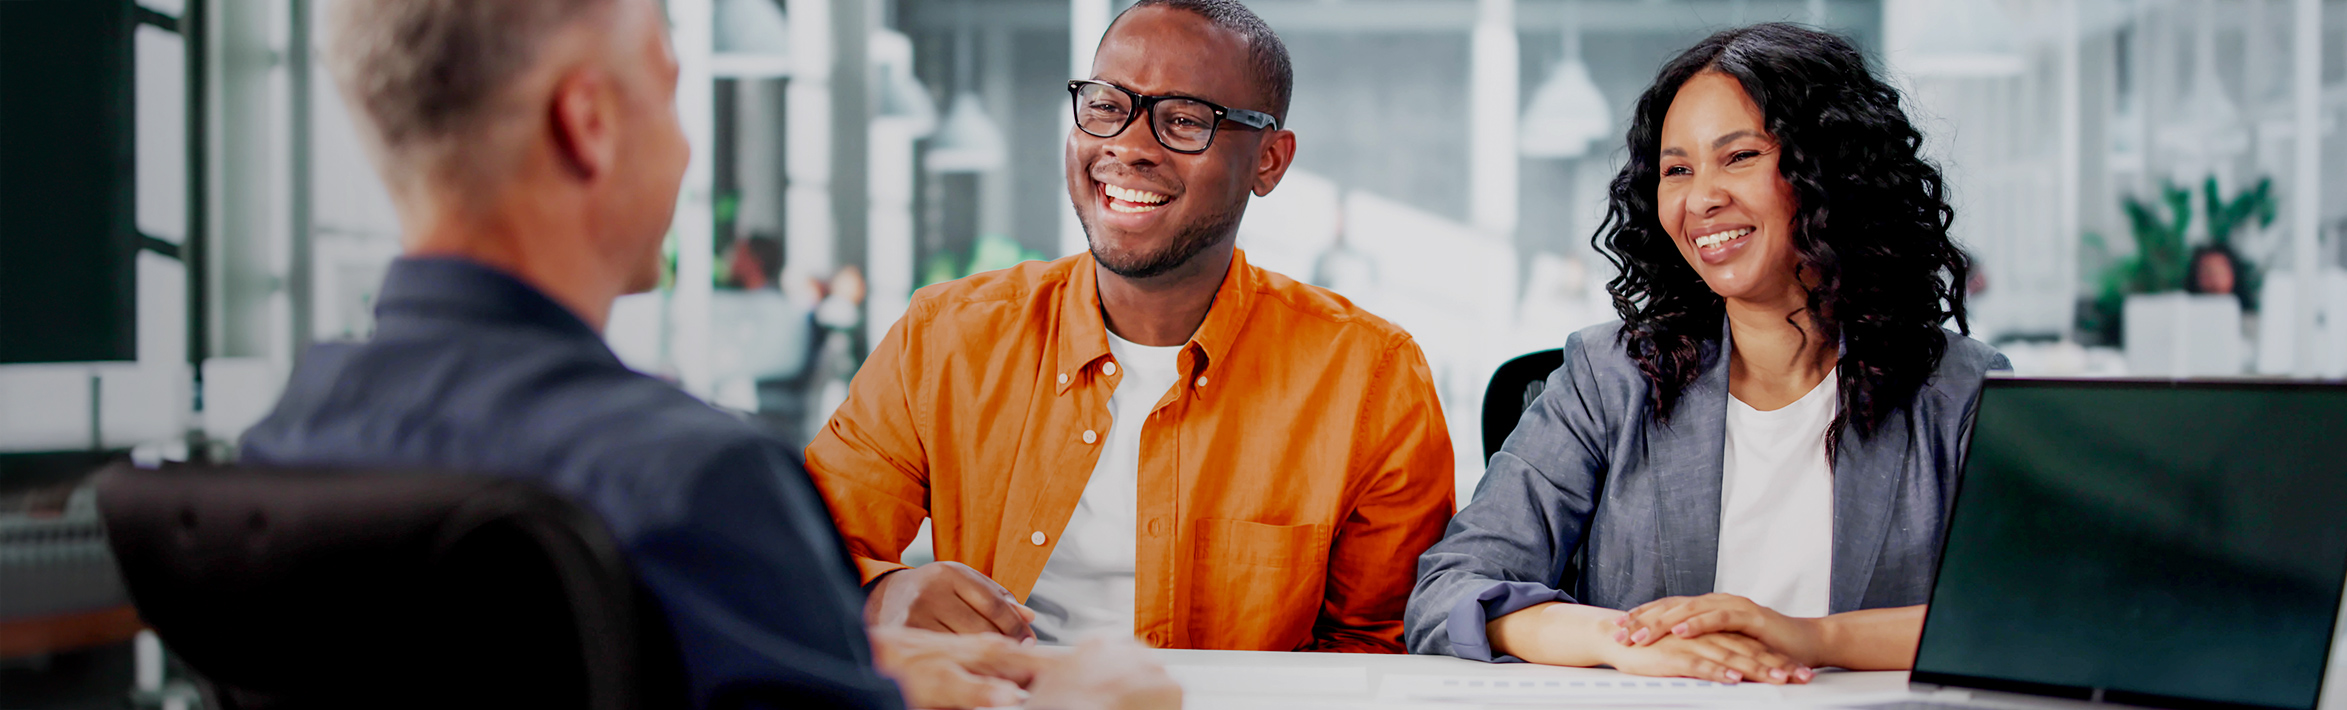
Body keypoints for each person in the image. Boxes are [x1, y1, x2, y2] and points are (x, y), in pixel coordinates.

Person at [237, 1, 1178, 708]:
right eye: (671, 87)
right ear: (589, 124)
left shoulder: (290, 442)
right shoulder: (694, 484)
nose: (689, 151)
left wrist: (859, 668)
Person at [806, 0, 1454, 653]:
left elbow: (1384, 643)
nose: (1128, 147)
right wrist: (880, 592)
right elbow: (793, 552)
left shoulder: (1371, 375)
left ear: (1269, 161)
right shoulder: (947, 335)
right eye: (1106, 106)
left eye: (1182, 120)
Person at [1404, 23, 2008, 683]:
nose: (1700, 198)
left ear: (1832, 168)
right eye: (1676, 170)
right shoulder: (1608, 377)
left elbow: (2025, 612)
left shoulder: (1958, 389)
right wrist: (1621, 638)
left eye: (1738, 156)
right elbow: (1447, 592)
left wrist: (1808, 637)